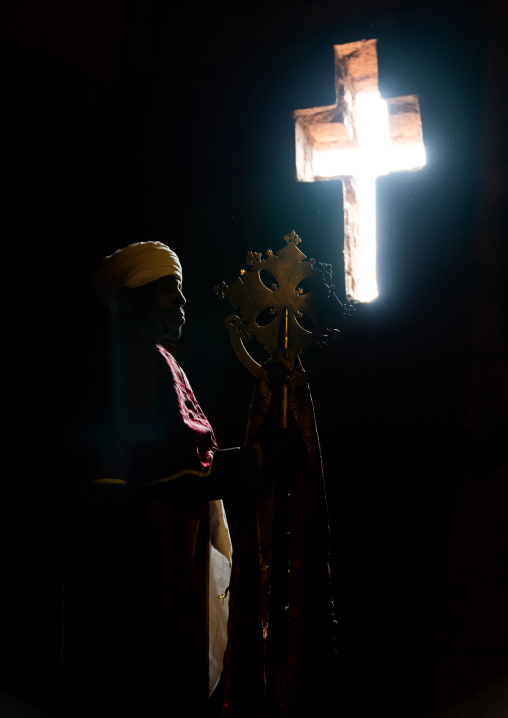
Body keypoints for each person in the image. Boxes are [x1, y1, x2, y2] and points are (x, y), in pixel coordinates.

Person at [59, 241, 280, 718]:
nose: (181, 304)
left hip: (158, 542)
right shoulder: (134, 360)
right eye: (168, 292)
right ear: (133, 299)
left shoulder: (155, 355)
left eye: (180, 293)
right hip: (140, 554)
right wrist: (251, 463)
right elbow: (160, 466)